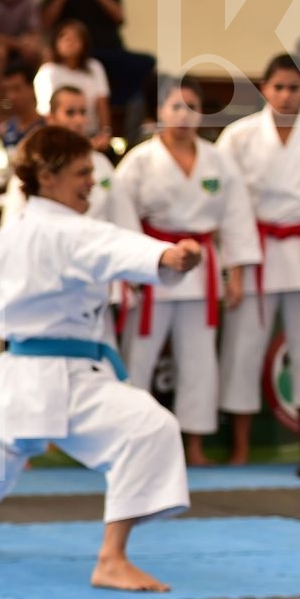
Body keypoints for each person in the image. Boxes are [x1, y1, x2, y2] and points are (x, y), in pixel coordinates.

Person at [0, 126, 203, 591]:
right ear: (48, 178)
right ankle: (112, 558)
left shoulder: (12, 231)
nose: (93, 182)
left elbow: (110, 246)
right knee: (150, 428)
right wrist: (169, 255)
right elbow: (116, 247)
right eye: (82, 172)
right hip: (65, 376)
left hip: (16, 372)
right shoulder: (72, 231)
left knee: (1, 448)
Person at [109, 79, 260, 465]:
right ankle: (130, 442)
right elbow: (122, 219)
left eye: (191, 107)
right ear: (160, 113)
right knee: (138, 357)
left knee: (199, 361)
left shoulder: (218, 161)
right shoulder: (139, 161)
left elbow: (236, 218)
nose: (182, 115)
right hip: (152, 265)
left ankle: (194, 444)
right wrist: (129, 270)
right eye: (175, 106)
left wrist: (237, 272)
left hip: (201, 271)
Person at [216, 54, 300, 466]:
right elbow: (227, 204)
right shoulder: (238, 137)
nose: (286, 95)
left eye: (294, 88)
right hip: (255, 248)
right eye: (278, 87)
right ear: (264, 88)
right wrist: (234, 262)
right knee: (243, 348)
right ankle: (240, 446)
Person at [38, 0, 154, 120]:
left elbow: (119, 17)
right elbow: (45, 22)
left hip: (110, 53)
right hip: (75, 54)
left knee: (147, 64)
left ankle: (123, 109)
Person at [0, 87, 115, 227]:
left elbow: (124, 220)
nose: (79, 120)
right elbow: (11, 226)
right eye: (70, 113)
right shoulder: (33, 164)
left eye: (83, 112)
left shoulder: (102, 163)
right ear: (51, 118)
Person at [33, 20, 110, 145]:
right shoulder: (48, 71)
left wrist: (105, 133)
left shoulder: (94, 67)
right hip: (60, 136)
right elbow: (46, 112)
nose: (70, 43)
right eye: (65, 38)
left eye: (75, 38)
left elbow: (102, 102)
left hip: (91, 133)